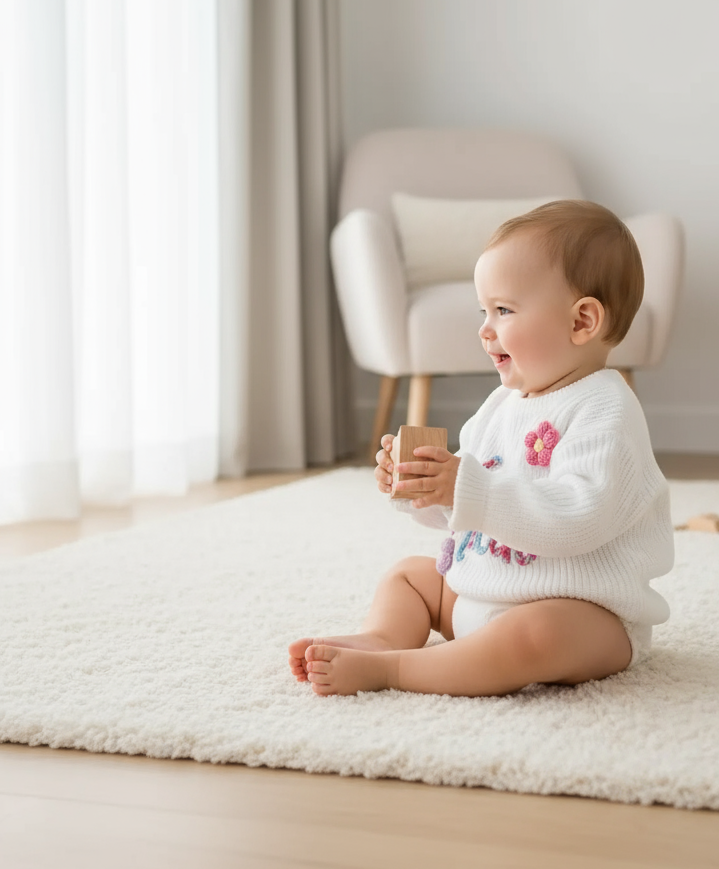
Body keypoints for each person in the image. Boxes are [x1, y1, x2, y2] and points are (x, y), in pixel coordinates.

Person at [288, 199, 673, 697]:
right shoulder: (501, 405)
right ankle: (383, 639)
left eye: (504, 310)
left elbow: (579, 516)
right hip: (481, 589)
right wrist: (424, 489)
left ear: (582, 322)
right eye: (484, 311)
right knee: (409, 575)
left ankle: (396, 671)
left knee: (534, 636)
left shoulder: (605, 408)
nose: (484, 328)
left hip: (581, 613)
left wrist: (467, 487)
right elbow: (464, 512)